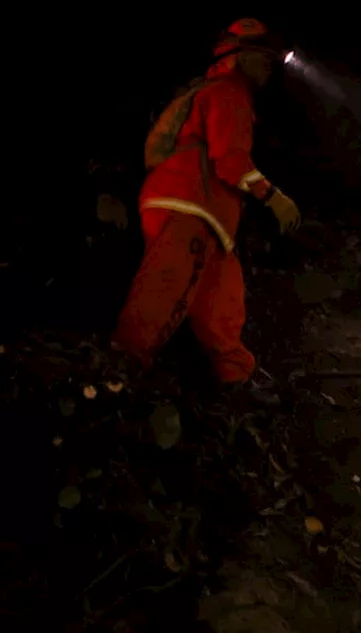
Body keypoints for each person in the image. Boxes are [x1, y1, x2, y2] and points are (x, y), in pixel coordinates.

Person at [112, 18, 301, 388]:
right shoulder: (229, 92)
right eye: (262, 58)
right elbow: (230, 160)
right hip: (189, 205)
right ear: (239, 56)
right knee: (164, 290)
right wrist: (273, 197)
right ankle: (116, 373)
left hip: (208, 216)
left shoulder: (218, 92)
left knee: (222, 304)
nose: (269, 67)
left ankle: (237, 381)